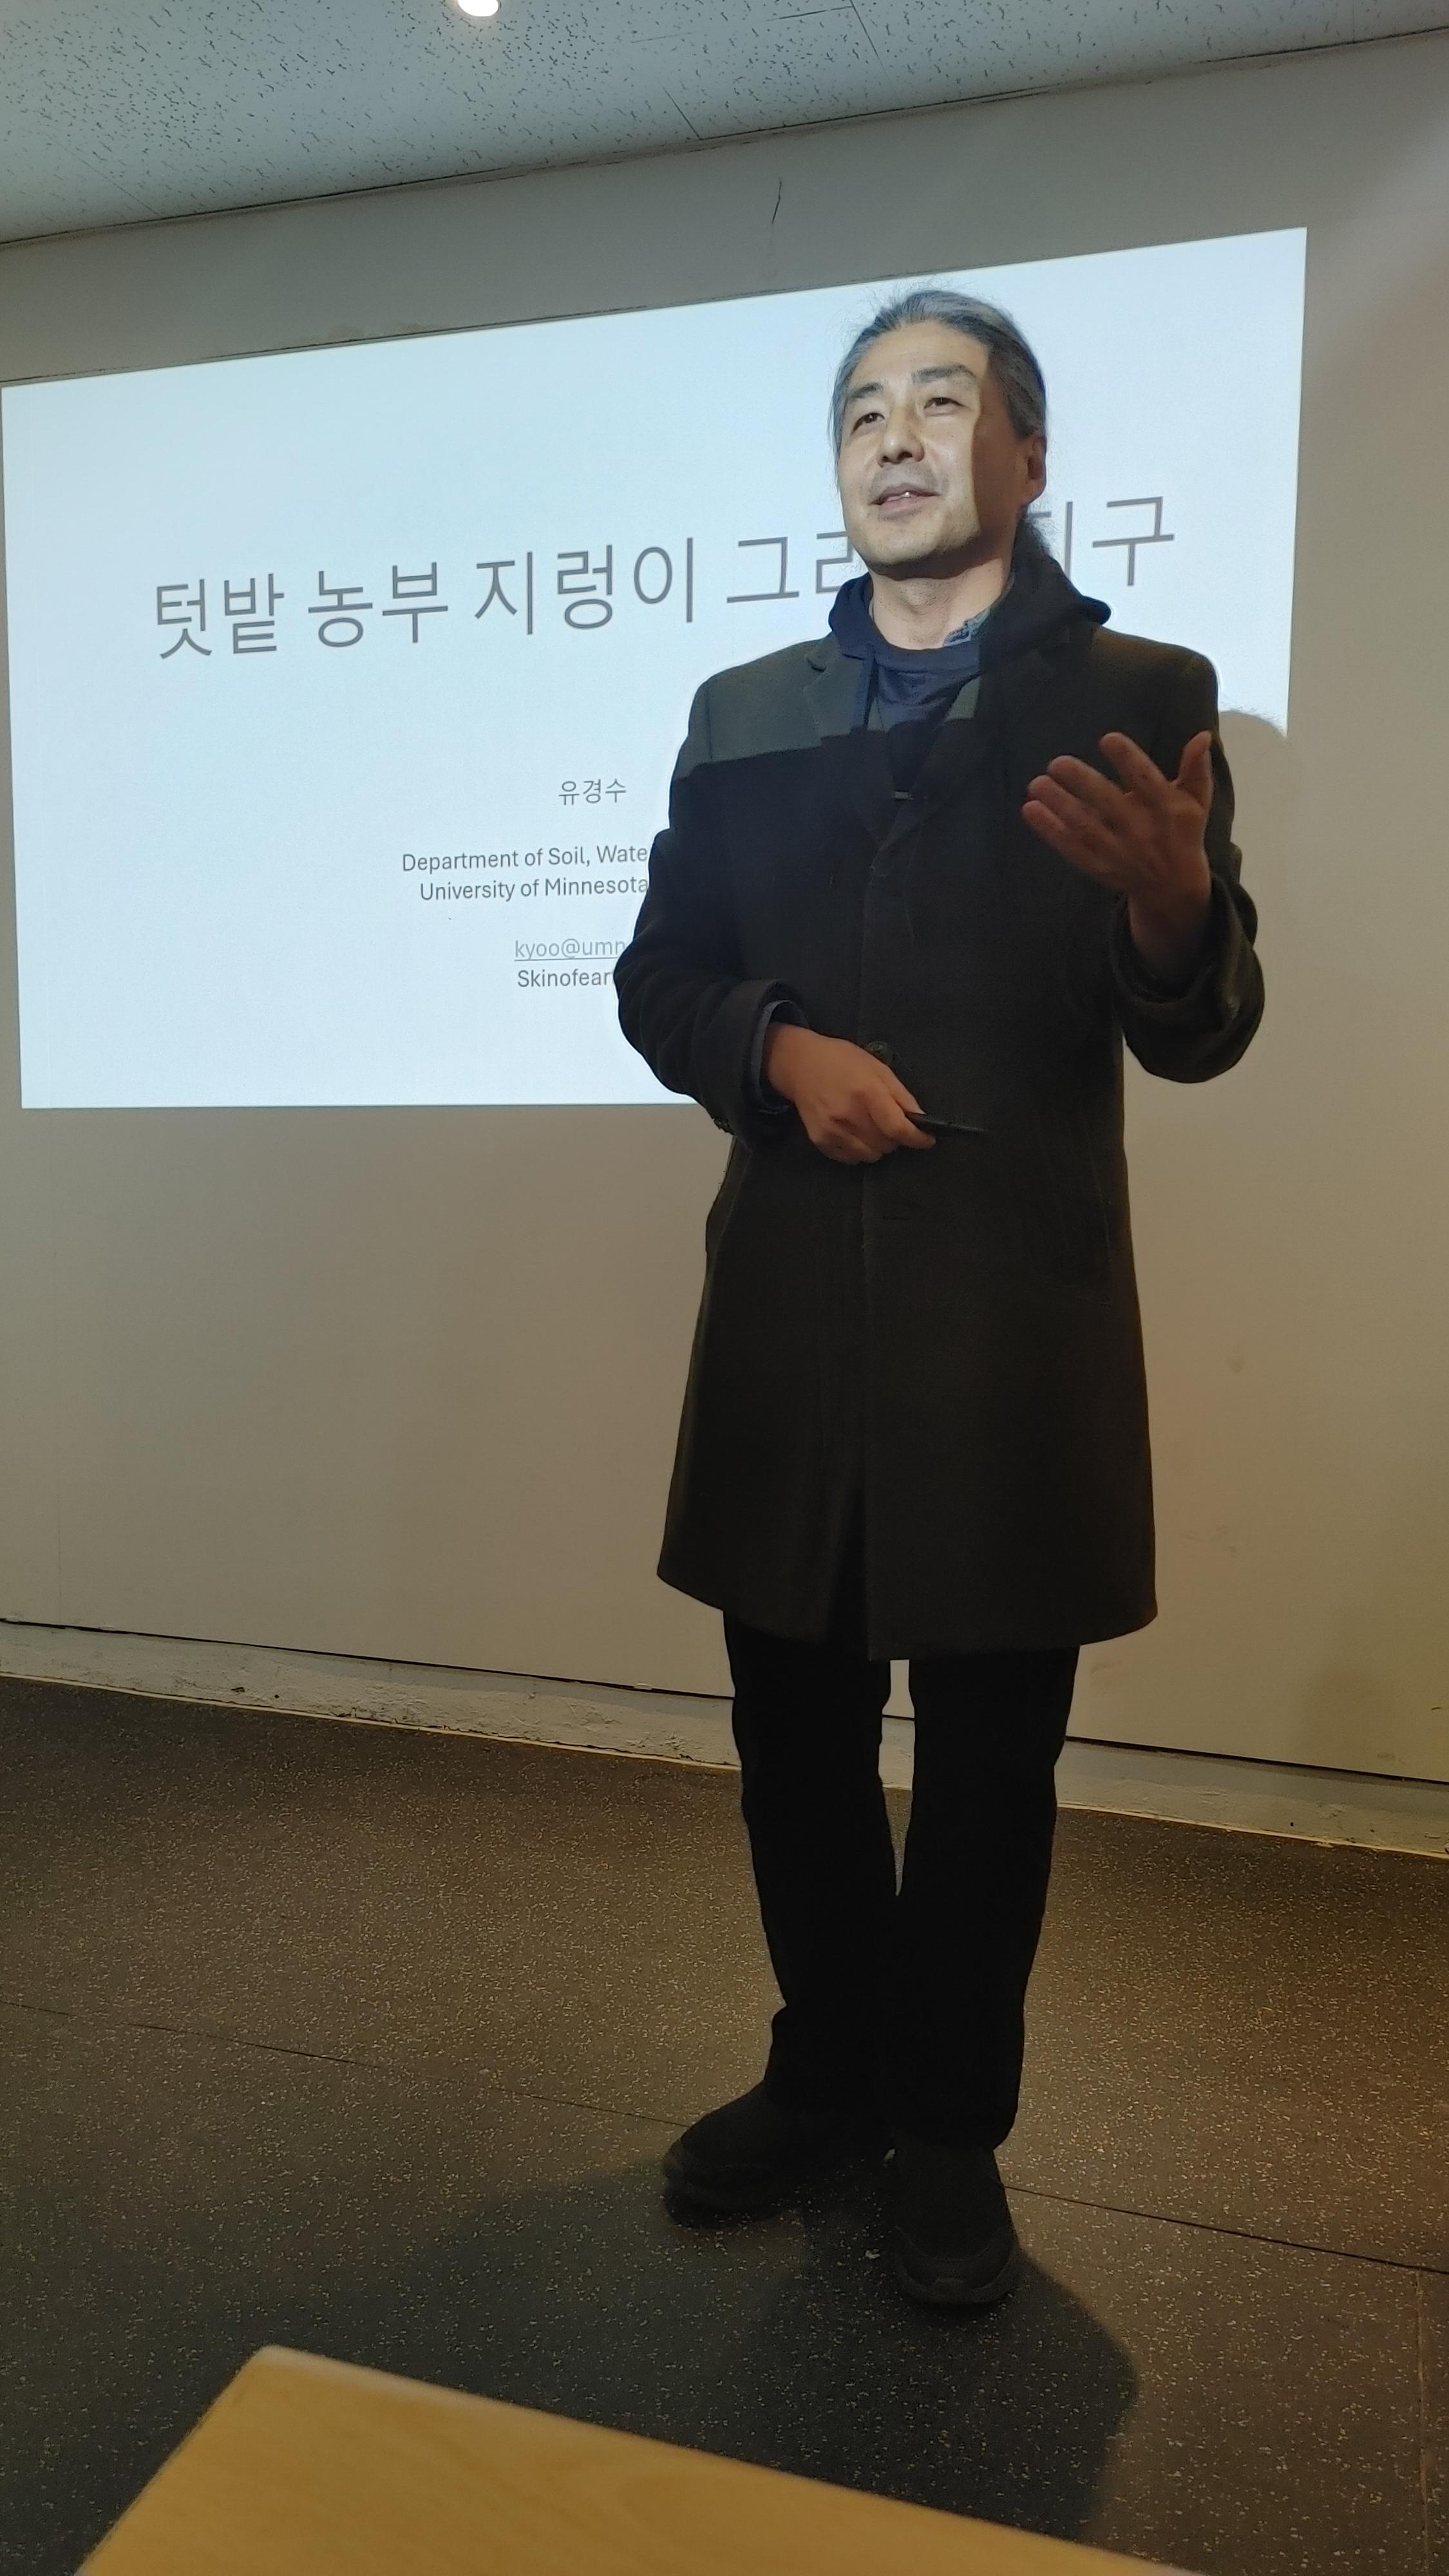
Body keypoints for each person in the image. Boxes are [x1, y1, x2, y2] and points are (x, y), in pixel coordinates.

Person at [614, 287, 1264, 2309]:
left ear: (1027, 457)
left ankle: (947, 2129)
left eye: (942, 404)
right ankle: (824, 2075)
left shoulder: (1138, 688)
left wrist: (1172, 905)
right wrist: (774, 1046)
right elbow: (659, 980)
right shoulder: (744, 710)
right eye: (861, 413)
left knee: (990, 1761)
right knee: (793, 1736)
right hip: (790, 1312)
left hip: (1010, 1316)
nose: (894, 439)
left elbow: (1197, 1026)